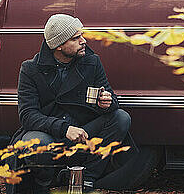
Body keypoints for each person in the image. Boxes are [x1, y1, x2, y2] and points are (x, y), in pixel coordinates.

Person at [12, 14, 131, 193]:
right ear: (59, 45)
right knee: (34, 144)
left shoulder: (91, 61)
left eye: (81, 35)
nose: (83, 41)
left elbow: (111, 97)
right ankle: (48, 181)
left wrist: (107, 102)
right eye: (76, 38)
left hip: (84, 129)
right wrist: (64, 128)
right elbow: (28, 116)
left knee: (121, 117)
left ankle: (88, 177)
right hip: (49, 132)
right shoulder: (30, 69)